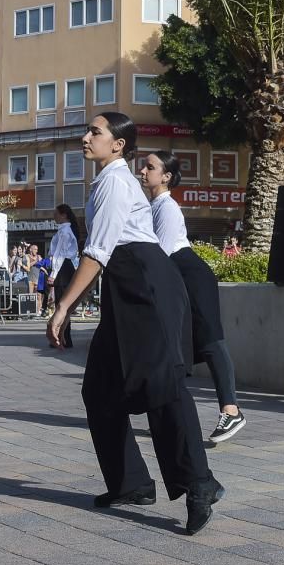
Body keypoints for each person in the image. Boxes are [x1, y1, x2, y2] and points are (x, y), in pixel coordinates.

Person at [47, 112, 223, 536]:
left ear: (118, 144)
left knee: (162, 386)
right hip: (128, 287)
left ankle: (200, 484)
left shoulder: (113, 183)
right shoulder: (108, 180)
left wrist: (64, 306)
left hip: (145, 284)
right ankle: (131, 484)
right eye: (88, 130)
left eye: (95, 132)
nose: (86, 137)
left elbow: (99, 252)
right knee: (100, 389)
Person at [140, 152, 246, 444]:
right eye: (144, 166)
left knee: (210, 341)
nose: (143, 171)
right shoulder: (152, 206)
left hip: (191, 277)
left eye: (150, 167)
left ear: (166, 177)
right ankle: (170, 414)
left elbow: (159, 254)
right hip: (177, 278)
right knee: (173, 346)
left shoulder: (167, 207)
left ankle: (231, 410)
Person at [46, 204, 81, 348]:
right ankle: (64, 336)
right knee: (63, 303)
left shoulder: (64, 232)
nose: (54, 215)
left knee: (62, 303)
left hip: (63, 269)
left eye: (56, 213)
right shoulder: (65, 230)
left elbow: (59, 253)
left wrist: (53, 274)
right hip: (66, 268)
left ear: (64, 214)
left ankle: (63, 337)